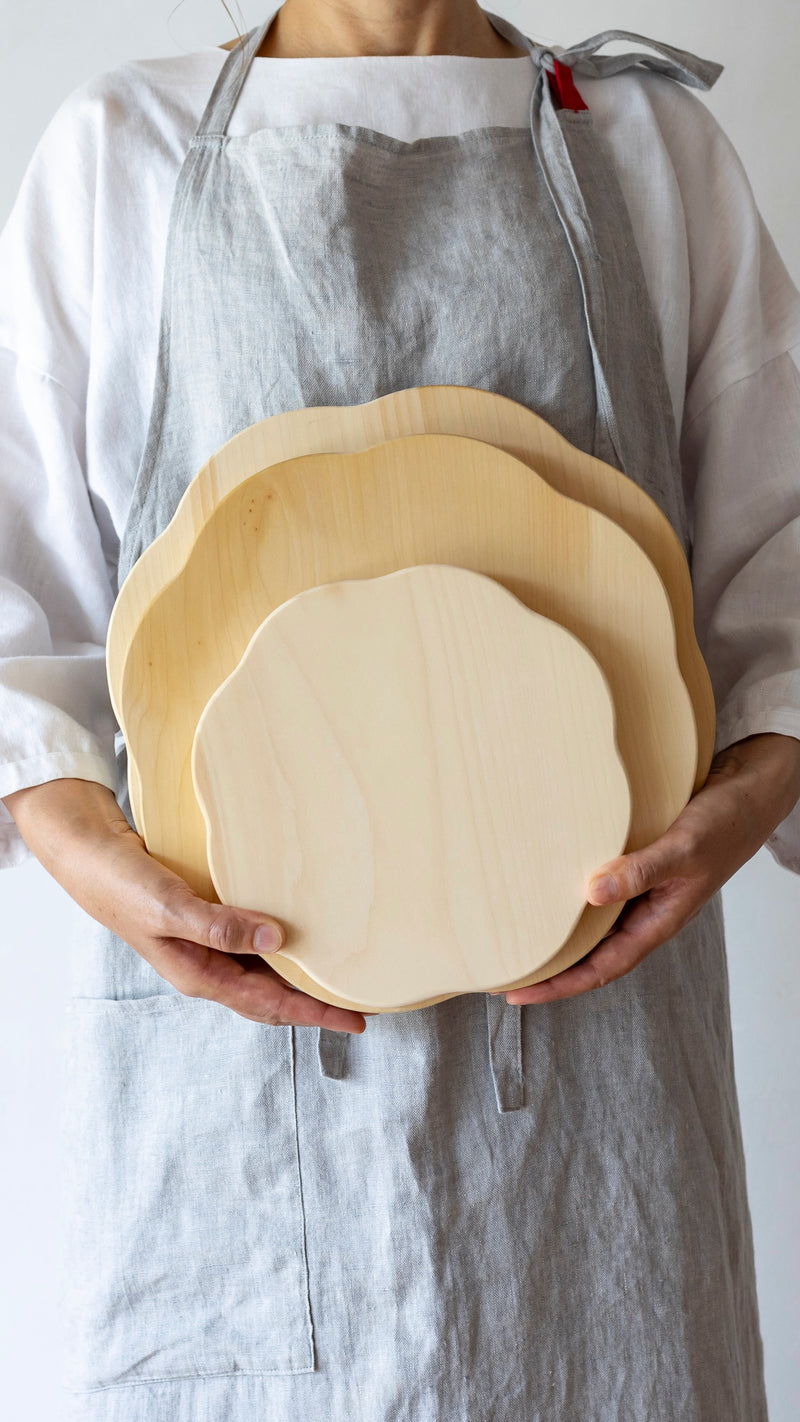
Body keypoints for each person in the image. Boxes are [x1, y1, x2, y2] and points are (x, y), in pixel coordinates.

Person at [1, 1, 799, 1417]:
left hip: (598, 1124)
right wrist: (103, 865)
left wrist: (741, 804)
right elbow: (21, 634)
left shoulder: (653, 149)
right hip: (234, 1123)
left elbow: (782, 595)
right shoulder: (120, 153)